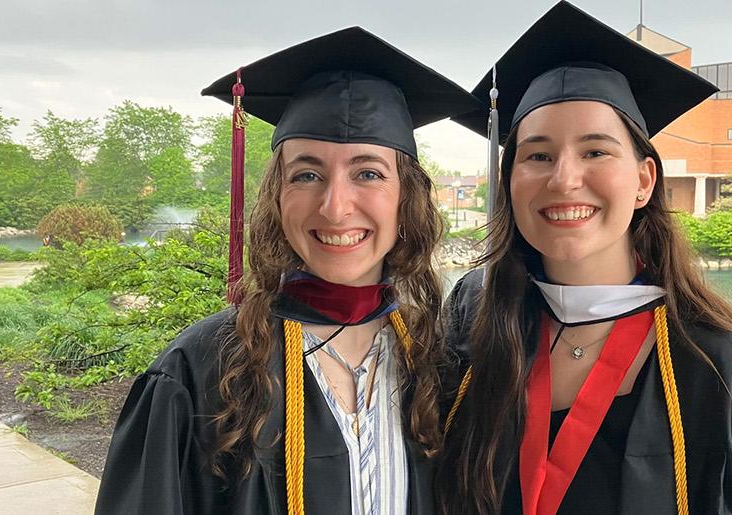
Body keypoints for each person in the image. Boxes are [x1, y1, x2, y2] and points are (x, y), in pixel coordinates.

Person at [434, 3, 732, 514]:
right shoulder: (474, 325)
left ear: (643, 181)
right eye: (538, 155)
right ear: (509, 182)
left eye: (595, 152)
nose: (564, 178)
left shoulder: (729, 372)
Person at [96, 27, 479, 515]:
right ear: (277, 197)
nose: (336, 207)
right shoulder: (201, 372)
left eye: (368, 173)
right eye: (307, 174)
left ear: (406, 200)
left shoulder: (435, 362)